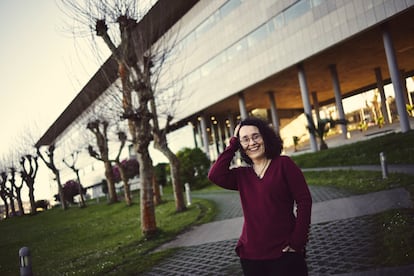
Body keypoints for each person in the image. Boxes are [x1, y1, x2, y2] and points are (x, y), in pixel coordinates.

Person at [208, 117, 312, 276]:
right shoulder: (241, 175)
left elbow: (304, 201)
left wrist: (298, 241)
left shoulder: (284, 164)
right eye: (245, 139)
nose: (252, 142)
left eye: (256, 136)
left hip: (284, 252)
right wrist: (233, 143)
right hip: (251, 256)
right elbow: (215, 175)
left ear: (265, 137)